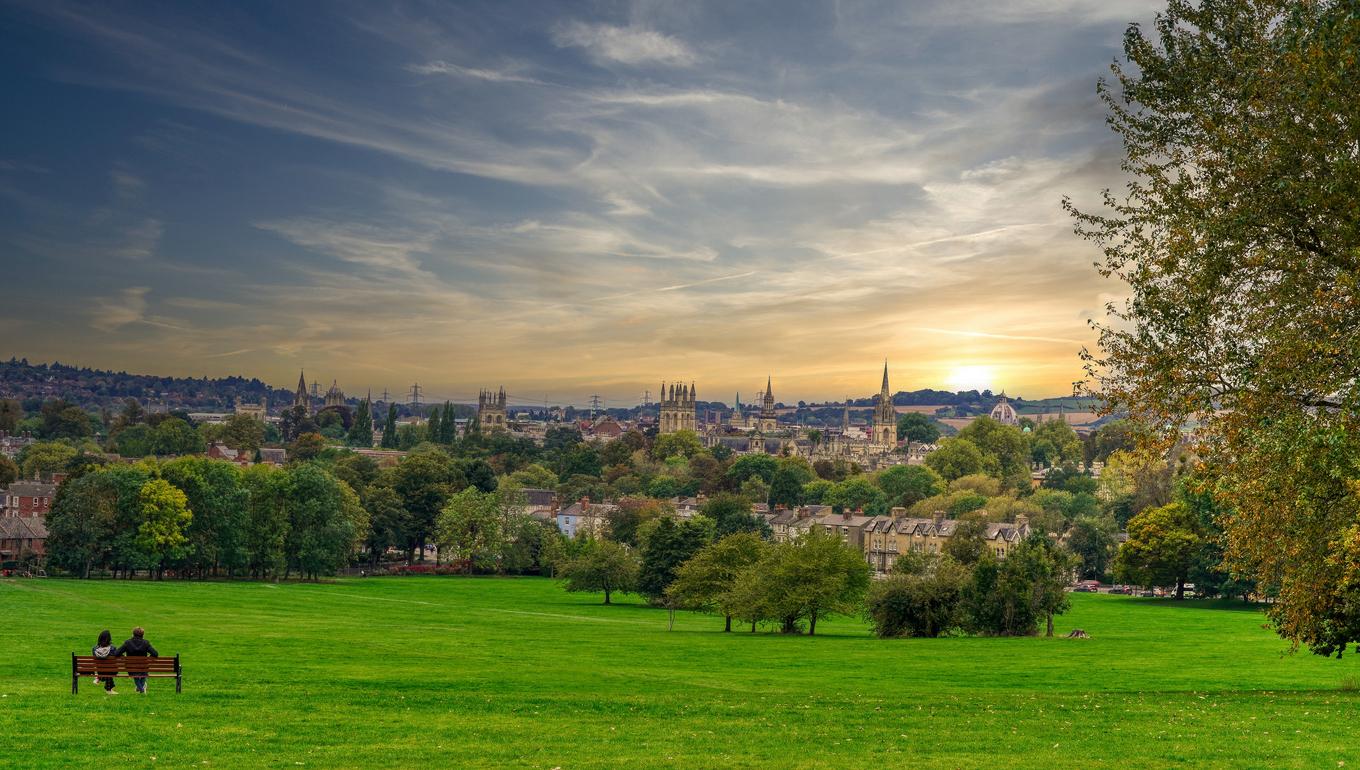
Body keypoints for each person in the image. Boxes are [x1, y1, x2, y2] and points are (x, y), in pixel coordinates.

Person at [116, 626, 158, 694]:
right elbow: (155, 654)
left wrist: (125, 658)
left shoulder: (127, 642)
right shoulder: (146, 643)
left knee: (135, 673)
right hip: (143, 667)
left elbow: (117, 653)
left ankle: (140, 688)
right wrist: (148, 659)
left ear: (133, 634)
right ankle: (141, 689)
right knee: (144, 673)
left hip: (131, 667)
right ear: (143, 635)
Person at [92, 629, 120, 695]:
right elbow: (119, 656)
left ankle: (100, 678)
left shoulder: (94, 649)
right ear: (109, 639)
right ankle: (108, 689)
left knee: (106, 671)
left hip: (100, 670)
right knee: (110, 671)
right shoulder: (112, 648)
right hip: (112, 670)